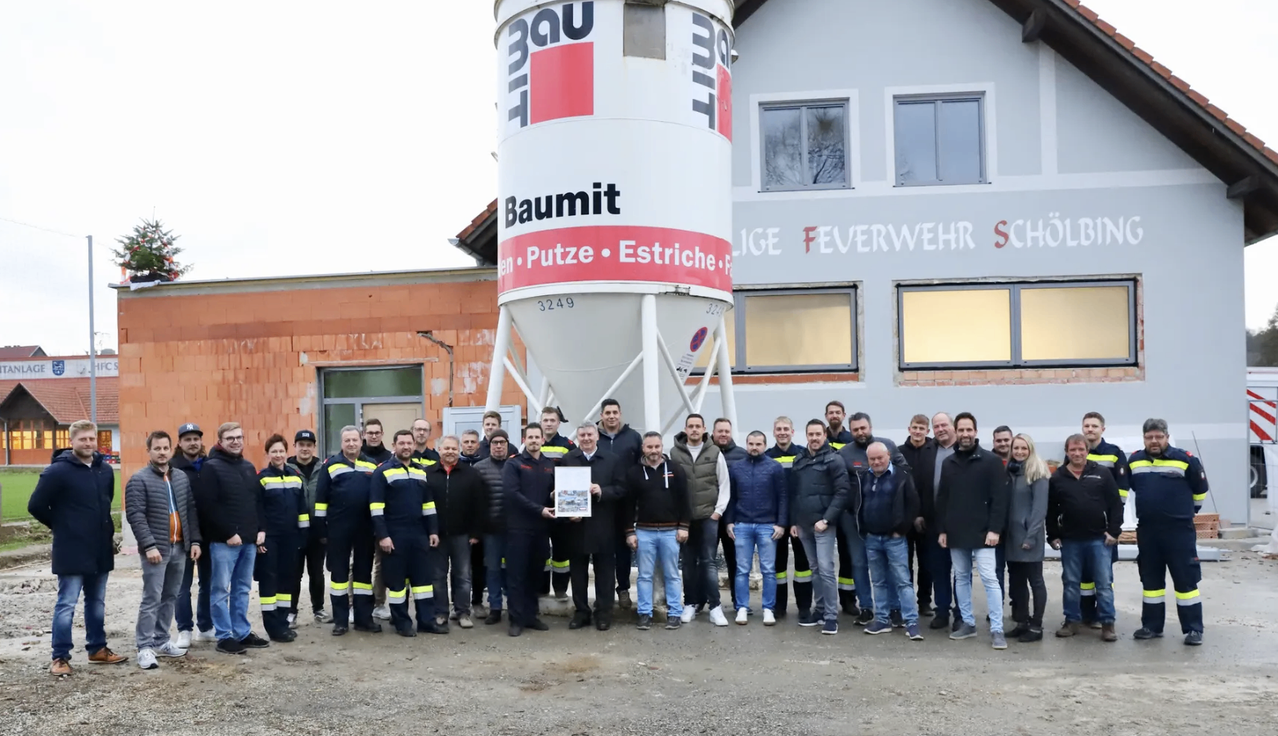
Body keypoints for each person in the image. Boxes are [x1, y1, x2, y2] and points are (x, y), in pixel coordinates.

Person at [29, 420, 128, 676]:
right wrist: (62, 526)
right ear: (72, 441)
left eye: (92, 439)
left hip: (99, 549)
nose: (88, 443)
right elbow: (36, 505)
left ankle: (97, 649)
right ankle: (60, 657)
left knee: (96, 602)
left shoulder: (104, 470)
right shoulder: (57, 471)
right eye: (83, 439)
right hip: (71, 549)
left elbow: (106, 504)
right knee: (67, 603)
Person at [1129, 418, 1208, 646]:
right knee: (1151, 582)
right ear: (1143, 438)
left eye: (1158, 437)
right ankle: (1151, 626)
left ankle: (1193, 629)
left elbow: (1200, 491)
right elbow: (1135, 487)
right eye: (1149, 437)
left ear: (1167, 437)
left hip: (1179, 532)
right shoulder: (1134, 461)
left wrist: (1185, 512)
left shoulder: (1185, 460)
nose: (1154, 441)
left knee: (1186, 582)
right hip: (1148, 531)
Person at [127, 430, 202, 669]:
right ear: (148, 451)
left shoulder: (179, 477)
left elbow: (190, 510)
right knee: (152, 598)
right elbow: (135, 516)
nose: (161, 452)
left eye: (165, 448)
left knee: (170, 596)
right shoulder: (139, 479)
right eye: (157, 448)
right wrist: (148, 545)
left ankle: (161, 640)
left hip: (180, 547)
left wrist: (195, 541)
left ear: (172, 450)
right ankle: (144, 647)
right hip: (156, 550)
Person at [935, 412, 1011, 649]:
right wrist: (943, 530)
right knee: (961, 577)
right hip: (956, 532)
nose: (965, 434)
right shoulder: (949, 463)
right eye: (961, 430)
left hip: (984, 533)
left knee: (990, 579)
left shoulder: (991, 462)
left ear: (976, 432)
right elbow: (943, 499)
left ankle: (997, 629)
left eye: (969, 430)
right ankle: (967, 623)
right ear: (956, 432)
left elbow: (1000, 499)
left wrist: (995, 529)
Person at [197, 422, 270, 655]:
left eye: (239, 437)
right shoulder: (211, 467)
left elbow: (257, 501)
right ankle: (224, 636)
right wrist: (228, 533)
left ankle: (242, 632)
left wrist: (261, 528)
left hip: (249, 540)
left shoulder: (248, 467)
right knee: (220, 589)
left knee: (242, 588)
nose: (236, 441)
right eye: (230, 438)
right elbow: (208, 506)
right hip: (224, 542)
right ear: (220, 440)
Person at [1048, 434, 1123, 642]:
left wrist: (1114, 531)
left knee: (1104, 583)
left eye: (1081, 449)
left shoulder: (1102, 473)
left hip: (1099, 540)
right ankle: (1072, 621)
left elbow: (1116, 504)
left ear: (1087, 451)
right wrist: (1053, 535)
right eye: (1073, 450)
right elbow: (1051, 510)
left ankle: (1108, 624)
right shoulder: (1058, 477)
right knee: (1071, 582)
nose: (1077, 453)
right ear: (1067, 452)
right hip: (1070, 540)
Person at [370, 430, 444, 636]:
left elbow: (429, 505)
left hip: (419, 534)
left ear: (413, 446)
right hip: (394, 535)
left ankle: (427, 621)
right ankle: (402, 623)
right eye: (401, 443)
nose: (406, 446)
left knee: (423, 583)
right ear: (394, 445)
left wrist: (433, 531)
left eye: (409, 443)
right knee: (397, 584)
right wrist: (383, 535)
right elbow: (376, 508)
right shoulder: (382, 472)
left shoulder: (421, 471)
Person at [837, 412, 907, 625]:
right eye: (856, 429)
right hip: (854, 519)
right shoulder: (844, 454)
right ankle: (866, 607)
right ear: (851, 430)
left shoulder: (887, 446)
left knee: (889, 565)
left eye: (863, 428)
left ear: (870, 427)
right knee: (859, 564)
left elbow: (904, 473)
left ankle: (895, 609)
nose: (860, 432)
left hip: (884, 519)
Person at [315, 425, 381, 635]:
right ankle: (341, 621)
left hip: (364, 528)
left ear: (361, 441)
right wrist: (321, 531)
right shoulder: (331, 465)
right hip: (338, 529)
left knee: (363, 575)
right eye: (347, 441)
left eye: (355, 440)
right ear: (341, 443)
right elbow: (320, 500)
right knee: (339, 577)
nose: (351, 444)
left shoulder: (371, 465)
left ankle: (363, 619)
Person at [790, 419, 853, 635]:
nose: (814, 438)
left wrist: (826, 520)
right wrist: (794, 522)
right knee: (815, 569)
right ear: (806, 435)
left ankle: (831, 617)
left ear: (824, 435)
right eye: (811, 434)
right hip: (804, 525)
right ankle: (820, 608)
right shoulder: (799, 460)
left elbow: (843, 492)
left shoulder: (834, 460)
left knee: (826, 569)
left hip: (823, 525)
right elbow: (794, 494)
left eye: (818, 434)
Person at [624, 432, 690, 631]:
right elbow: (627, 505)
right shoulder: (634, 473)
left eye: (657, 447)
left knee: (672, 574)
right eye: (649, 447)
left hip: (671, 532)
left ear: (662, 447)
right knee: (644, 576)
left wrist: (684, 526)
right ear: (643, 448)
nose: (653, 451)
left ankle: (674, 613)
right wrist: (629, 531)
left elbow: (685, 501)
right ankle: (644, 613)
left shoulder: (676, 470)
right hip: (644, 532)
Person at [561, 424, 625, 631]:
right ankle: (581, 612)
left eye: (590, 434)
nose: (586, 438)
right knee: (578, 572)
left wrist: (602, 491)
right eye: (582, 435)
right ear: (577, 437)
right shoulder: (568, 459)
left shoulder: (612, 460)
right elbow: (560, 489)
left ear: (597, 436)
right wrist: (568, 512)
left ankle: (604, 612)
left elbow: (622, 489)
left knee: (605, 572)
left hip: (604, 524)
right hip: (576, 526)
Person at [857, 442, 923, 641]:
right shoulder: (864, 477)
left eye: (880, 458)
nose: (876, 462)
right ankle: (883, 620)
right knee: (878, 581)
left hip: (894, 539)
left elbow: (913, 505)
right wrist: (864, 529)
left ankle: (911, 622)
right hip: (872, 538)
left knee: (903, 581)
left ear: (888, 456)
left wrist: (900, 530)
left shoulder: (901, 476)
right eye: (872, 459)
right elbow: (858, 504)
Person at [671, 414, 731, 627]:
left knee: (708, 562)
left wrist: (718, 512)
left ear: (704, 429)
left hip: (708, 517)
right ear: (685, 429)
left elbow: (724, 483)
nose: (694, 430)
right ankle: (690, 604)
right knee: (687, 563)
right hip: (685, 519)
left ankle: (715, 607)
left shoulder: (714, 452)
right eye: (691, 426)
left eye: (698, 426)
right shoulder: (675, 453)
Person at [425, 435, 487, 630]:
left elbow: (479, 505)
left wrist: (476, 532)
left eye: (453, 448)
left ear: (458, 450)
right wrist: (429, 531)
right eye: (446, 448)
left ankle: (462, 612)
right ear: (439, 451)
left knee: (463, 575)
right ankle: (441, 612)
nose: (450, 451)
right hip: (437, 535)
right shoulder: (428, 474)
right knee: (437, 576)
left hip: (463, 534)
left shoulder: (471, 474)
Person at [725, 431, 786, 626]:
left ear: (764, 445)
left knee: (768, 570)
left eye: (758, 444)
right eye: (751, 443)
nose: (754, 447)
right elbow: (731, 497)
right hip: (742, 524)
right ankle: (742, 607)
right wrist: (729, 521)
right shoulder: (736, 468)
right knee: (741, 569)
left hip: (767, 525)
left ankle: (768, 609)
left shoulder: (775, 467)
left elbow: (783, 497)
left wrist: (781, 523)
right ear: (746, 444)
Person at [502, 423, 556, 636]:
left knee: (535, 575)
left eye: (537, 437)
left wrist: (555, 497)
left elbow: (552, 492)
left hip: (541, 530)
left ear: (543, 440)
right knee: (516, 576)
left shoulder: (549, 464)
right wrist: (539, 509)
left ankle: (531, 616)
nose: (534, 440)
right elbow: (512, 494)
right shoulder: (514, 464)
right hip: (518, 529)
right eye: (530, 437)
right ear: (524, 440)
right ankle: (516, 619)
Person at [1079, 411, 1131, 628]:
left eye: (1094, 426)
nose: (1090, 429)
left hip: (1105, 527)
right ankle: (1085, 615)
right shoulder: (1077, 451)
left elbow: (1121, 493)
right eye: (1087, 426)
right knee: (1083, 576)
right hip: (1080, 526)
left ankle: (1104, 616)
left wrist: (1113, 526)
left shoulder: (1114, 454)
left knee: (1103, 575)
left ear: (1103, 429)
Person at [255, 435, 307, 643]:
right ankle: (272, 627)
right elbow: (257, 509)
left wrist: (303, 535)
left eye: (281, 451)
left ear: (287, 453)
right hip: (270, 539)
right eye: (274, 451)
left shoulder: (295, 477)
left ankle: (284, 622)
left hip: (291, 538)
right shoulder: (262, 478)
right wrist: (260, 535)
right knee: (269, 581)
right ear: (268, 454)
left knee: (287, 580)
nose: (278, 455)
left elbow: (302, 509)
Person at [596, 398, 643, 610]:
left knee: (624, 549)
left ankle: (623, 589)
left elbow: (641, 467)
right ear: (602, 415)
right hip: (601, 500)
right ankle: (602, 593)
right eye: (608, 412)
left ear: (620, 413)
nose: (612, 416)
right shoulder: (594, 437)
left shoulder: (633, 438)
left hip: (626, 501)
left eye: (615, 412)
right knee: (602, 548)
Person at [1004, 434, 1050, 642]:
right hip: (1011, 538)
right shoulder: (1010, 472)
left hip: (1029, 538)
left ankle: (1036, 625)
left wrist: (1030, 537)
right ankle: (1022, 621)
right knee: (1016, 583)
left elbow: (1039, 510)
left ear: (1030, 449)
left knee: (1036, 581)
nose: (1020, 452)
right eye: (1016, 448)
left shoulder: (1037, 473)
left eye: (1024, 448)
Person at [766, 417, 813, 619]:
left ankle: (804, 607)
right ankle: (779, 607)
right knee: (778, 565)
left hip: (798, 519)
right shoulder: (767, 457)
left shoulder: (802, 455)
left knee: (803, 565)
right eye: (779, 429)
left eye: (786, 429)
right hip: (775, 520)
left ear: (793, 432)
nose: (783, 432)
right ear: (774, 432)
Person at [172, 422, 212, 648]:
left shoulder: (209, 466)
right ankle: (184, 628)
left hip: (209, 535)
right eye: (187, 439)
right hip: (182, 536)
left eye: (196, 438)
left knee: (208, 583)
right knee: (182, 586)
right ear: (180, 443)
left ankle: (205, 627)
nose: (193, 442)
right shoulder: (172, 468)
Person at [919, 412, 959, 631]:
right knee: (939, 570)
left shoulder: (963, 450)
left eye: (944, 425)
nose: (941, 429)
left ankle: (961, 614)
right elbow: (920, 485)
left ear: (952, 426)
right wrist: (919, 514)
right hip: (934, 521)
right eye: (936, 426)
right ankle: (942, 611)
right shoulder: (928, 451)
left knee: (961, 573)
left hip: (960, 521)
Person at [287, 430, 327, 625]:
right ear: (294, 446)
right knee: (293, 572)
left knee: (317, 572)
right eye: (301, 444)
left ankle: (318, 609)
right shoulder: (286, 468)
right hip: (294, 530)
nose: (305, 448)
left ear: (314, 447)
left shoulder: (323, 469)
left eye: (308, 444)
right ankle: (291, 611)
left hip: (317, 531)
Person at [474, 430, 512, 625]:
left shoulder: (515, 465)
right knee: (493, 569)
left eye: (502, 442)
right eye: (495, 443)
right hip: (490, 530)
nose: (498, 446)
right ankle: (495, 608)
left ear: (507, 444)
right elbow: (474, 501)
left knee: (513, 569)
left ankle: (514, 607)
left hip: (514, 529)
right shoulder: (479, 468)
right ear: (489, 445)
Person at [898, 414, 935, 618]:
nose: (918, 431)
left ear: (927, 431)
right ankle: (907, 601)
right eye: (915, 427)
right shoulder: (899, 452)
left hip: (927, 518)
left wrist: (923, 515)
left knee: (926, 563)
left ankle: (924, 602)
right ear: (909, 428)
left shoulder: (934, 451)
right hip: (906, 518)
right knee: (905, 563)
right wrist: (911, 515)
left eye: (922, 428)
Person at [539, 406, 577, 599]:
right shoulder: (533, 443)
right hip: (539, 506)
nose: (548, 424)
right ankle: (542, 588)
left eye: (552, 420)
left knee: (562, 552)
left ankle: (561, 589)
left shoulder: (567, 445)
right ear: (541, 422)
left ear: (558, 423)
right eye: (545, 420)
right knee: (541, 551)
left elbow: (575, 474)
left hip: (561, 506)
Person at [712, 418, 747, 610]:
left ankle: (737, 600)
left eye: (726, 431)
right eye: (720, 431)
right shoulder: (706, 452)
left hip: (733, 517)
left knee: (735, 561)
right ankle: (707, 600)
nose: (723, 434)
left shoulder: (742, 455)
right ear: (713, 432)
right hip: (710, 516)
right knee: (707, 561)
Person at [362, 419, 392, 619]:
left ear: (382, 434)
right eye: (370, 432)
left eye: (377, 432)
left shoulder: (390, 458)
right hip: (361, 520)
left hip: (383, 520)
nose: (373, 436)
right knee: (358, 564)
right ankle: (357, 603)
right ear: (364, 434)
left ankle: (379, 603)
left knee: (382, 564)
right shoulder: (356, 456)